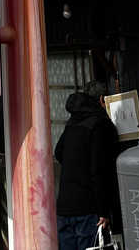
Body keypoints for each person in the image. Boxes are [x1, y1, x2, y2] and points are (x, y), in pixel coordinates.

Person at [54, 81, 119, 250]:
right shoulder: (100, 125)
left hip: (64, 207)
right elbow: (99, 170)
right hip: (88, 208)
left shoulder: (72, 123)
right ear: (102, 99)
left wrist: (74, 166)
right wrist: (104, 210)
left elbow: (58, 152)